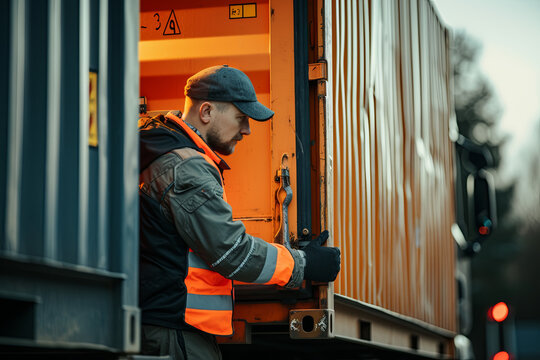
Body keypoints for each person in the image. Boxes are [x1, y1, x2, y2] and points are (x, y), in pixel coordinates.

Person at [138, 65, 341, 360]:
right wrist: (303, 264)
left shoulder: (161, 147)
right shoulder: (186, 167)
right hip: (174, 330)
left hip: (164, 325)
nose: (246, 130)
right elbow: (231, 252)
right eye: (241, 118)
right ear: (206, 112)